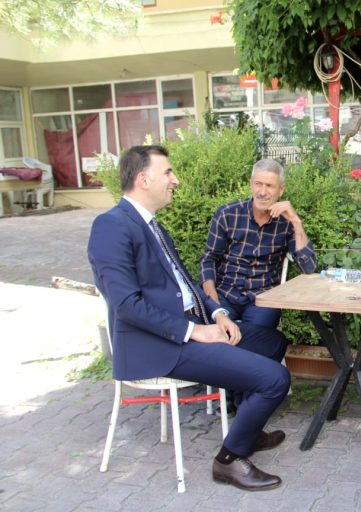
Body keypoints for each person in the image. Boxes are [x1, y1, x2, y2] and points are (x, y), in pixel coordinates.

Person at [88, 145, 290, 491]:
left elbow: (187, 285)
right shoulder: (111, 226)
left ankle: (247, 429)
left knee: (272, 342)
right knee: (275, 379)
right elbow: (126, 305)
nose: (175, 180)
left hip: (184, 330)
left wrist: (220, 314)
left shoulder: (152, 226)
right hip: (157, 345)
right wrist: (195, 331)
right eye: (168, 172)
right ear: (143, 178)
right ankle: (229, 460)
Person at [200, 158, 316, 331]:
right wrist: (211, 296)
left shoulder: (287, 223)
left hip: (262, 298)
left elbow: (308, 268)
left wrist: (296, 221)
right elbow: (208, 259)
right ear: (251, 185)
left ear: (281, 190)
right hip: (224, 293)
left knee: (257, 335)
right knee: (216, 331)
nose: (262, 192)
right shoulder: (227, 214)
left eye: (269, 186)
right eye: (258, 184)